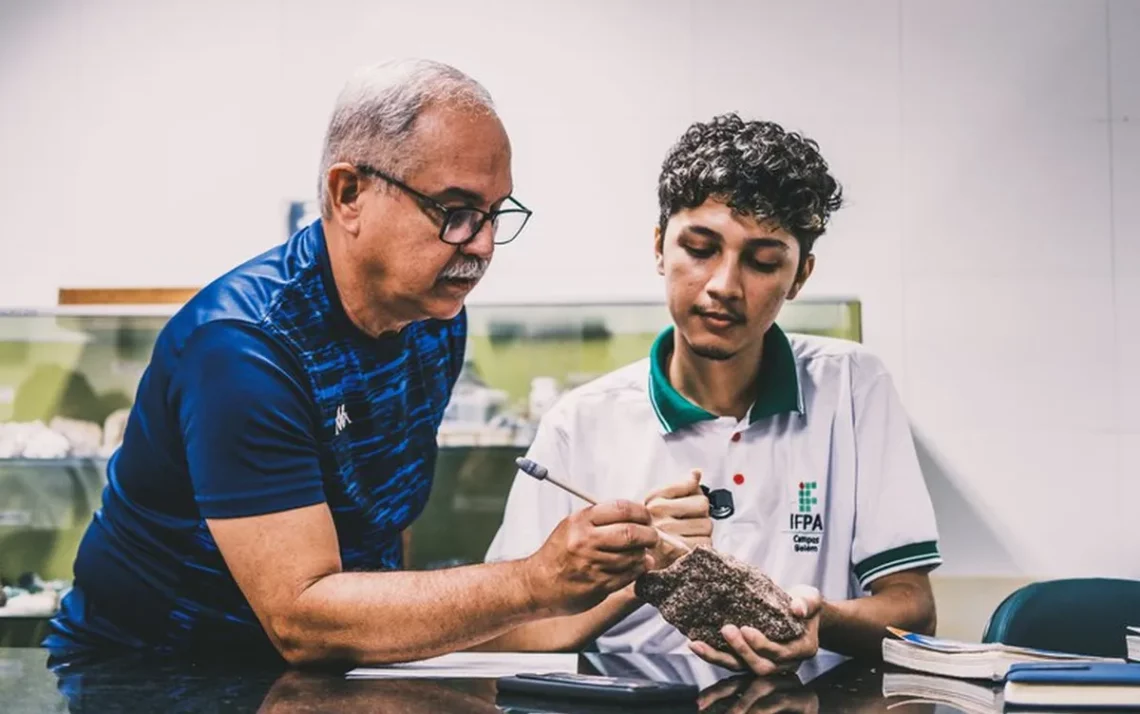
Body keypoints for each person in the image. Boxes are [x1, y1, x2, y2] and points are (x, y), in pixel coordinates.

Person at [45, 58, 663, 665]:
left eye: (496, 213)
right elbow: (302, 618)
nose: (482, 244)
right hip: (149, 680)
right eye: (455, 211)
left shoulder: (432, 319)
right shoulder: (244, 350)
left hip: (314, 670)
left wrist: (633, 569)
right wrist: (532, 582)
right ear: (348, 195)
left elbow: (380, 528)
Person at [482, 113, 942, 674]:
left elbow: (913, 612)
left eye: (763, 261)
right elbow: (507, 633)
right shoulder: (579, 423)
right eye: (700, 248)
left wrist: (818, 622)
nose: (724, 285)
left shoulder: (851, 386)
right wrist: (640, 572)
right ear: (659, 247)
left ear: (799, 277)